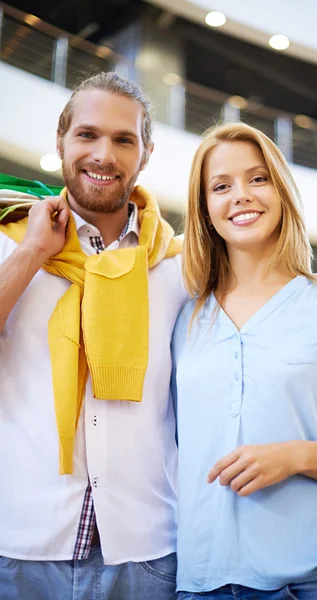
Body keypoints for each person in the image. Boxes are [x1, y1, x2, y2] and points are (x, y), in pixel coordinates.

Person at [171, 122, 317, 600]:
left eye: (258, 179)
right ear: (205, 208)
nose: (241, 196)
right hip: (197, 584)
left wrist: (303, 457)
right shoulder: (182, 316)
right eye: (221, 186)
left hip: (307, 582)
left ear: (281, 190)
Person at [0, 72, 187, 600]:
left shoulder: (180, 268)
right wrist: (33, 252)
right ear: (60, 142)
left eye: (123, 139)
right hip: (21, 548)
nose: (104, 154)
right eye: (87, 135)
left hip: (148, 553)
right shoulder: (9, 244)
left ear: (146, 153)